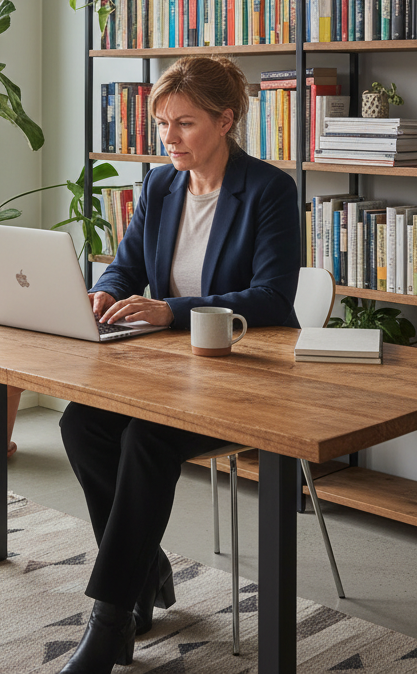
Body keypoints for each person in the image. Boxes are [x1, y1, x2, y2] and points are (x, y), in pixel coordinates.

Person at [58, 55, 300, 674]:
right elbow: (126, 265)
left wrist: (171, 310)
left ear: (226, 121)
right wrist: (106, 293)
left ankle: (110, 622)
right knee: (80, 424)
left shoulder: (269, 191)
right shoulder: (161, 186)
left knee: (146, 438)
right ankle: (143, 572)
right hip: (168, 370)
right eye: (163, 123)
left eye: (184, 123)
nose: (169, 138)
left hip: (244, 373)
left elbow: (273, 298)